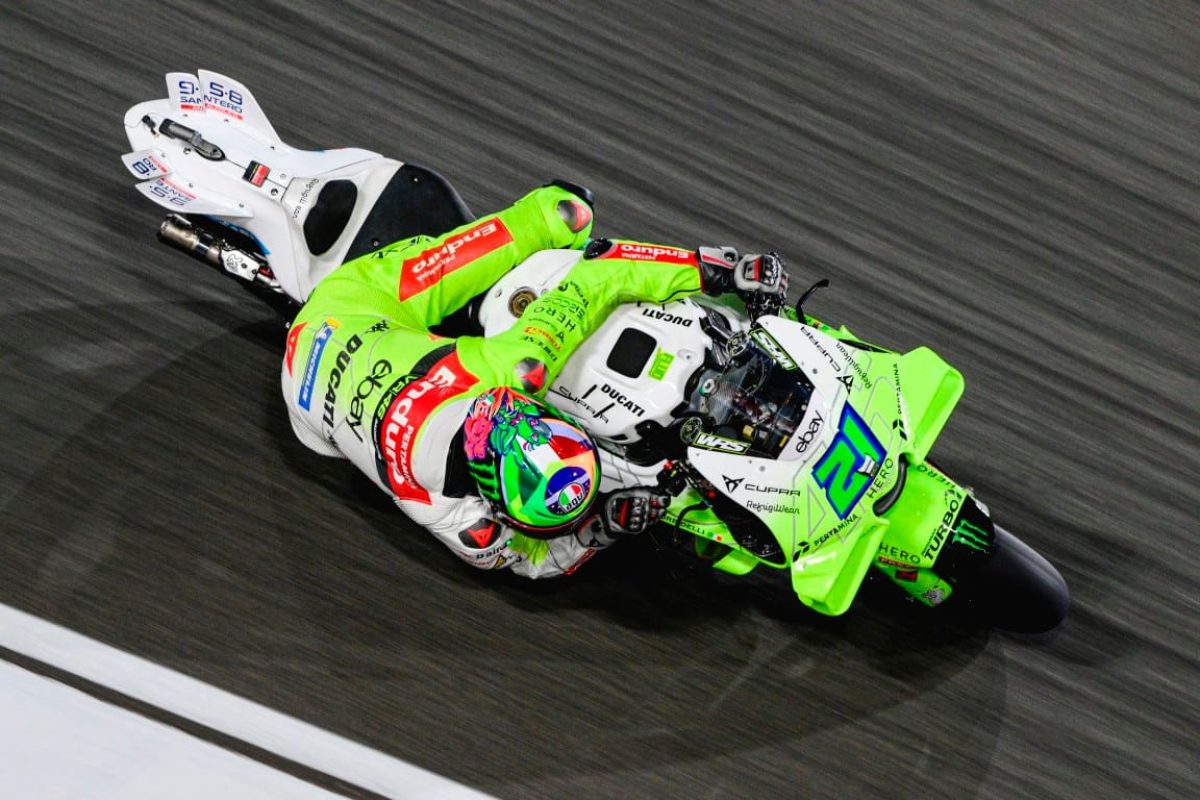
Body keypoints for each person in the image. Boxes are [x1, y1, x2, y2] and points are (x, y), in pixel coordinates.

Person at [281, 182, 787, 577]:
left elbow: (599, 274)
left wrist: (713, 269)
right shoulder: (447, 510)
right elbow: (530, 557)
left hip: (344, 322)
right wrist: (601, 527)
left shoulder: (514, 371)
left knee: (564, 214)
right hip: (308, 389)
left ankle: (534, 223)